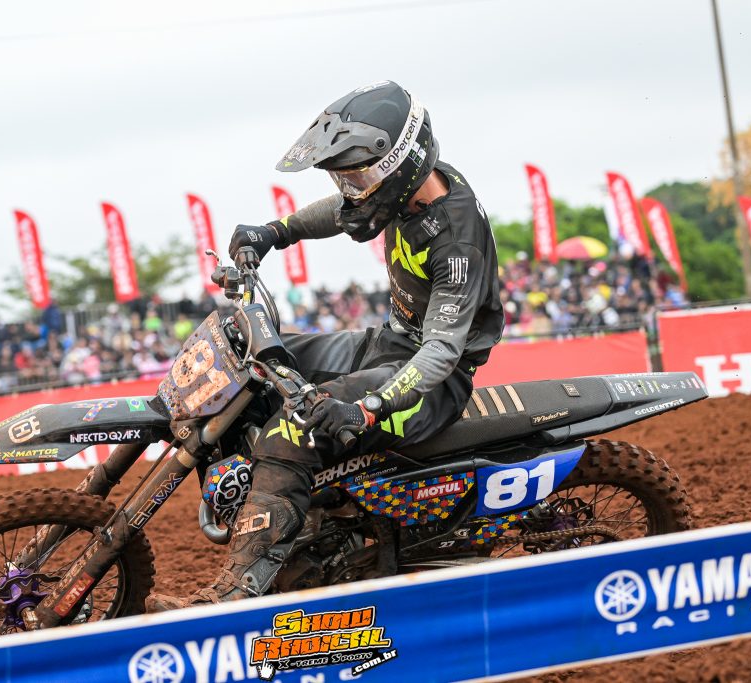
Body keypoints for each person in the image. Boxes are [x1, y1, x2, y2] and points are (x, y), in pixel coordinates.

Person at [149, 81, 503, 610]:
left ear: (400, 165)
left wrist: (366, 408)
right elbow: (341, 211)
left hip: (432, 381)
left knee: (293, 428)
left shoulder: (456, 242)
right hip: (388, 344)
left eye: (357, 177)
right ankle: (291, 515)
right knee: (247, 358)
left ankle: (235, 594)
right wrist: (276, 232)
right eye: (345, 177)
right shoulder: (410, 191)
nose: (350, 190)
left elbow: (441, 353)